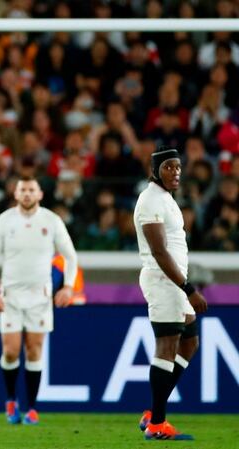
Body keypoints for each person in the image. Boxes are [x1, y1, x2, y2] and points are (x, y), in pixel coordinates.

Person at [0, 176, 78, 425]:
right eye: (22, 189)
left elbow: (70, 256)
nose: (26, 193)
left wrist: (68, 287)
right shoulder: (4, 222)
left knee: (34, 350)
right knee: (11, 351)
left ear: (40, 194)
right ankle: (11, 400)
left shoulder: (51, 221)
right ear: (15, 194)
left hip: (40, 296)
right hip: (11, 295)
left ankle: (33, 408)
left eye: (31, 189)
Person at [134, 148, 207, 440]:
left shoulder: (165, 199)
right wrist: (188, 288)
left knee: (189, 343)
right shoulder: (150, 199)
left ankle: (154, 412)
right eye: (168, 167)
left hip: (173, 282)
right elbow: (160, 251)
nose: (175, 171)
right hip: (165, 282)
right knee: (166, 346)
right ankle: (157, 425)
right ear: (155, 170)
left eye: (178, 167)